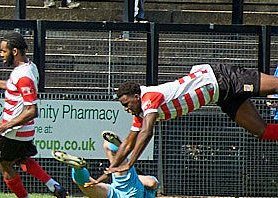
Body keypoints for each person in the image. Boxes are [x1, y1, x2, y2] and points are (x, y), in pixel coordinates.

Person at [110, 64, 278, 175]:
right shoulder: (141, 113)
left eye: (126, 104)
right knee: (260, 131)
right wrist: (108, 171)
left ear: (136, 96)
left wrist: (129, 163)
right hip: (222, 96)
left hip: (224, 78)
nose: (126, 109)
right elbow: (128, 143)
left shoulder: (149, 97)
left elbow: (146, 133)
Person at [0, 31, 67, 198]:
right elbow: (13, 87)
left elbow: (32, 110)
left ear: (14, 51)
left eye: (3, 51)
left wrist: (6, 126)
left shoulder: (23, 75)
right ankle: (53, 185)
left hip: (13, 132)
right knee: (22, 160)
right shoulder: (28, 68)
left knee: (5, 165)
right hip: (23, 132)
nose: (1, 54)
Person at [52, 133, 159, 198]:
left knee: (88, 183)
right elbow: (152, 183)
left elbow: (152, 183)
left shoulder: (138, 183)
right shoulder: (144, 187)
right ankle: (78, 168)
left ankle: (78, 169)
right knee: (88, 184)